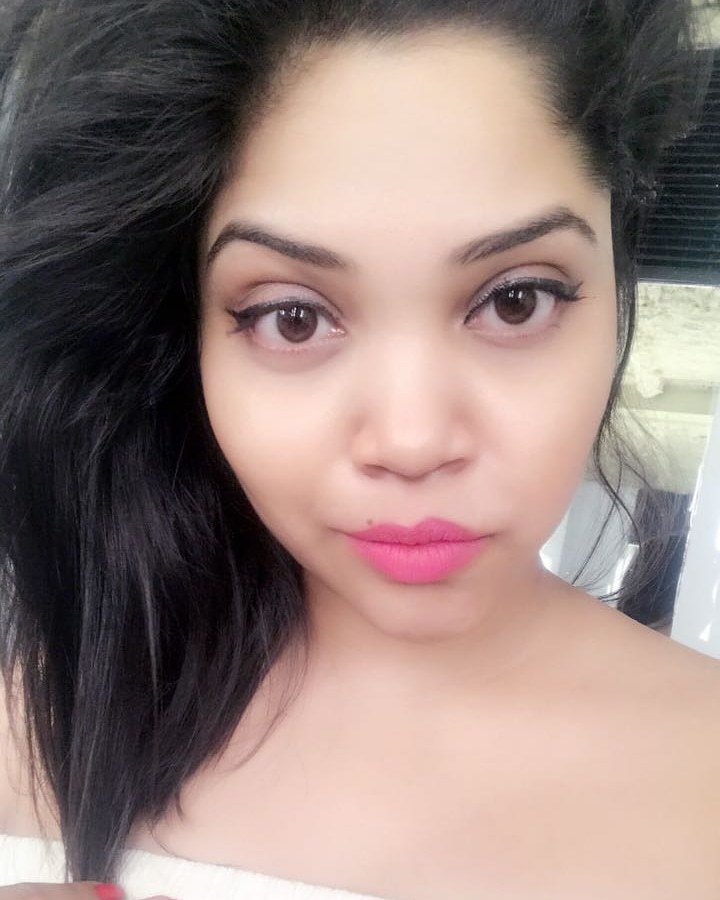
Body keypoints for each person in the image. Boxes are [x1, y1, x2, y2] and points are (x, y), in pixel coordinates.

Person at [0, 0, 718, 898]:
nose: (412, 442)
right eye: (292, 318)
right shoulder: (43, 719)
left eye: (517, 300)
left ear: (615, 283)